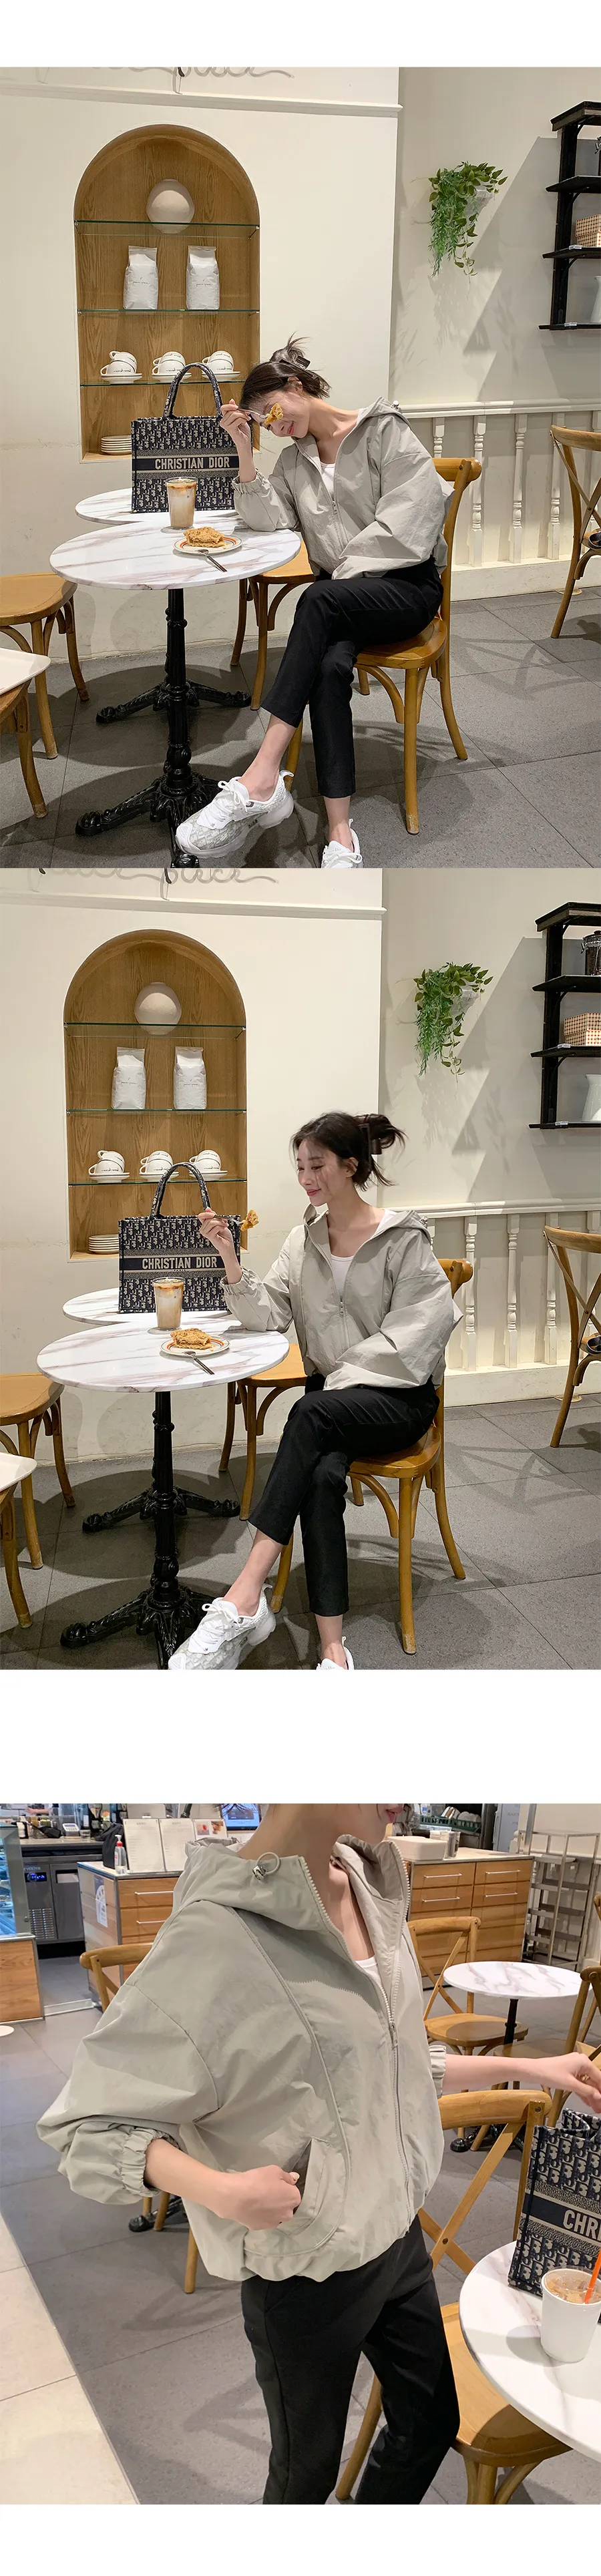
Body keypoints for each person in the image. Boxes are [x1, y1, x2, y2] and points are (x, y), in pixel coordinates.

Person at [37, 1805, 601, 2506]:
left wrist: (533, 2069)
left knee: (429, 2422)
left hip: (394, 2233)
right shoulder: (215, 1939)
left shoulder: (370, 1889)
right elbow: (88, 2124)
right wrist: (216, 2189)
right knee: (305, 2476)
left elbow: (387, 2064)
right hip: (305, 2271)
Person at [169, 1110, 460, 1673]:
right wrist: (228, 1256)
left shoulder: (404, 1239)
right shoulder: (302, 1241)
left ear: (351, 1166)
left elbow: (418, 1338)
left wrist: (336, 1383)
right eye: (300, 1166)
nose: (306, 1177)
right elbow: (267, 1316)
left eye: (317, 1165)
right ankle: (333, 1650)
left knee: (310, 1410)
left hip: (398, 1398)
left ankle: (245, 1594)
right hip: (330, 1406)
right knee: (322, 1473)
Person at [175, 336, 446, 871]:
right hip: (341, 601)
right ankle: (341, 834)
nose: (275, 427)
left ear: (295, 385)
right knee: (327, 666)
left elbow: (410, 523)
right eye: (263, 424)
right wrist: (244, 451)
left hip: (404, 589)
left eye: (273, 413)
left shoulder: (384, 431)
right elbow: (267, 519)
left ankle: (262, 775)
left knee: (318, 598)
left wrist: (337, 580)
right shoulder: (294, 462)